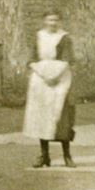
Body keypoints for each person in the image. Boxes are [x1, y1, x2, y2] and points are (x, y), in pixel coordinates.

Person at [23, 10, 77, 168]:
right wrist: (43, 74)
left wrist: (54, 76)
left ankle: (67, 155)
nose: (52, 23)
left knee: (61, 117)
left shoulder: (64, 38)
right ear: (44, 21)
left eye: (55, 20)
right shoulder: (38, 36)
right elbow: (32, 58)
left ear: (59, 22)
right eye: (49, 20)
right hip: (41, 79)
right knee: (42, 117)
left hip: (60, 79)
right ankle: (44, 156)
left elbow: (67, 59)